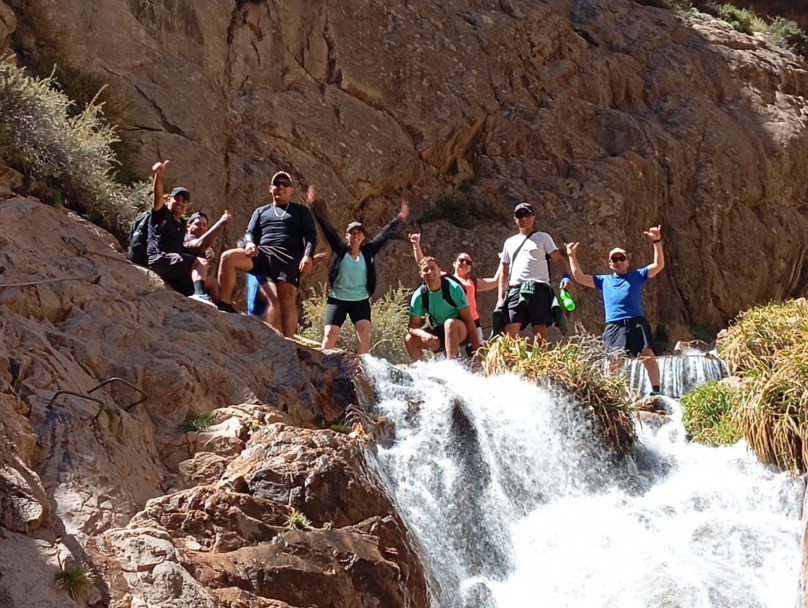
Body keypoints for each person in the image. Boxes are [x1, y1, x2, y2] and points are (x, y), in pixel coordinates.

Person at [565, 226, 664, 395]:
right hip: (614, 325)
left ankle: (656, 390)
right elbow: (580, 278)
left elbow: (658, 265)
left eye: (621, 258)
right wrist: (571, 256)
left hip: (636, 321)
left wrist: (656, 241)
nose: (618, 261)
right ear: (610, 263)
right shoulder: (603, 280)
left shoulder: (637, 275)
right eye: (614, 259)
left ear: (627, 261)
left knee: (647, 355)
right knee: (613, 360)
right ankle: (611, 393)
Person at [306, 190, 408, 353]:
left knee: (363, 332)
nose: (355, 235)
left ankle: (363, 368)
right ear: (347, 235)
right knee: (330, 333)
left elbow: (384, 234)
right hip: (338, 298)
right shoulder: (339, 249)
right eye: (352, 232)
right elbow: (327, 227)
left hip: (359, 299)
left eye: (358, 232)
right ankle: (323, 364)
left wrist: (399, 218)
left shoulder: (368, 251)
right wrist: (312, 205)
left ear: (363, 237)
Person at [216, 171, 317, 337]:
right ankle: (224, 305)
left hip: (290, 257)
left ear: (291, 189)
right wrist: (249, 243)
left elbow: (311, 236)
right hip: (264, 254)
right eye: (277, 183)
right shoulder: (260, 211)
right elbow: (250, 232)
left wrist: (308, 255)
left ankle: (288, 342)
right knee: (229, 257)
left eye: (285, 184)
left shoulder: (301, 211)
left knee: (286, 300)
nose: (281, 187)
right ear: (271, 188)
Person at [147, 160, 231, 302]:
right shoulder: (162, 215)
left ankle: (220, 307)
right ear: (169, 200)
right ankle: (199, 295)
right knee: (201, 263)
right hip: (160, 258)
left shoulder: (181, 224)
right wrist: (158, 175)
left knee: (209, 281)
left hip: (174, 264)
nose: (180, 202)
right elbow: (158, 196)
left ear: (188, 205)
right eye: (176, 199)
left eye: (184, 200)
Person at [497, 202, 572, 342]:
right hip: (516, 288)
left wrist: (566, 276)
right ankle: (508, 362)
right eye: (520, 215)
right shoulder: (509, 242)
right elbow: (504, 270)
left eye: (527, 214)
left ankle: (540, 361)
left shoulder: (543, 238)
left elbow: (559, 259)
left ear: (533, 217)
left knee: (539, 328)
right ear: (515, 219)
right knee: (510, 327)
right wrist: (500, 298)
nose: (523, 218)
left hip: (539, 287)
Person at [408, 233, 499, 345]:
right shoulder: (446, 278)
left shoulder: (473, 282)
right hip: (454, 322)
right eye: (461, 260)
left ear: (470, 268)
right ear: (454, 263)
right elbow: (424, 264)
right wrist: (416, 244)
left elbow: (496, 281)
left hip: (473, 322)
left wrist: (505, 260)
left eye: (468, 262)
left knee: (476, 354)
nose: (464, 263)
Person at [406, 256, 481, 361]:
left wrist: (477, 351)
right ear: (421, 274)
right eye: (425, 270)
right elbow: (413, 326)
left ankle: (451, 364)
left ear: (439, 270)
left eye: (433, 268)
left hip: (460, 330)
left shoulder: (454, 288)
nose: (429, 272)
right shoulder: (419, 295)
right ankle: (422, 373)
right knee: (410, 339)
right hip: (439, 333)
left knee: (449, 323)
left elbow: (469, 319)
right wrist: (424, 334)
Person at [183, 210, 232, 303]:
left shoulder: (199, 242)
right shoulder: (186, 237)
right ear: (188, 226)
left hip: (190, 280)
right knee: (213, 283)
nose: (201, 227)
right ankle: (216, 303)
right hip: (184, 280)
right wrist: (220, 223)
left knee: (216, 283)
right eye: (197, 224)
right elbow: (198, 245)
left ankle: (224, 304)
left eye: (204, 225)